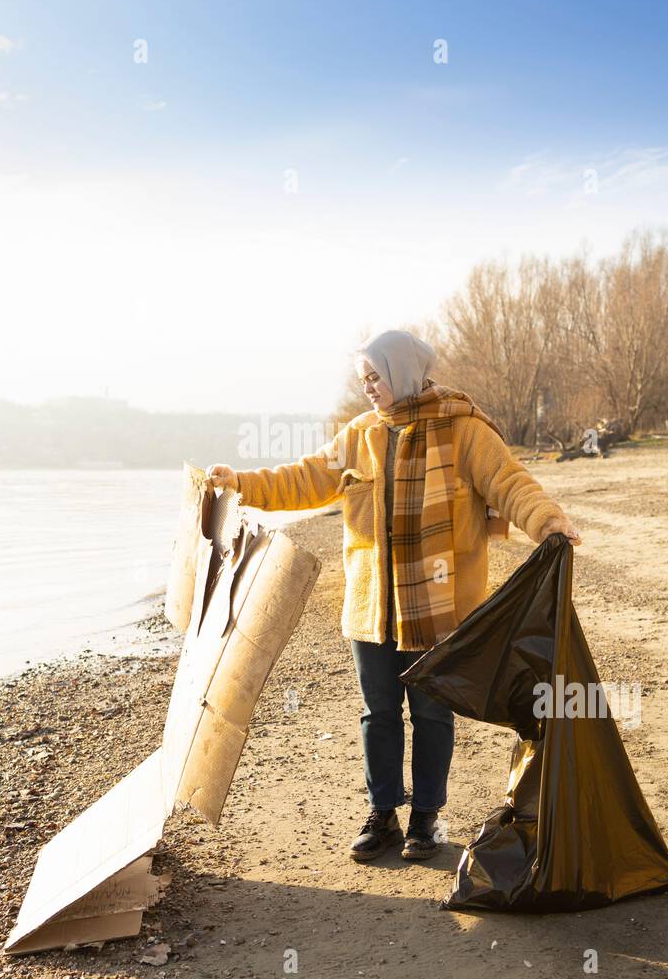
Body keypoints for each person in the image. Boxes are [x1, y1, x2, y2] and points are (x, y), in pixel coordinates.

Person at [207, 329, 580, 864]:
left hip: (439, 607)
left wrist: (549, 523)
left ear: (403, 371)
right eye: (362, 379)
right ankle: (383, 815)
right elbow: (303, 481)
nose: (368, 388)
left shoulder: (464, 431)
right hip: (371, 609)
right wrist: (240, 483)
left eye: (375, 376)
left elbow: (509, 482)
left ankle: (426, 819)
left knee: (431, 715)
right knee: (377, 713)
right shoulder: (359, 436)